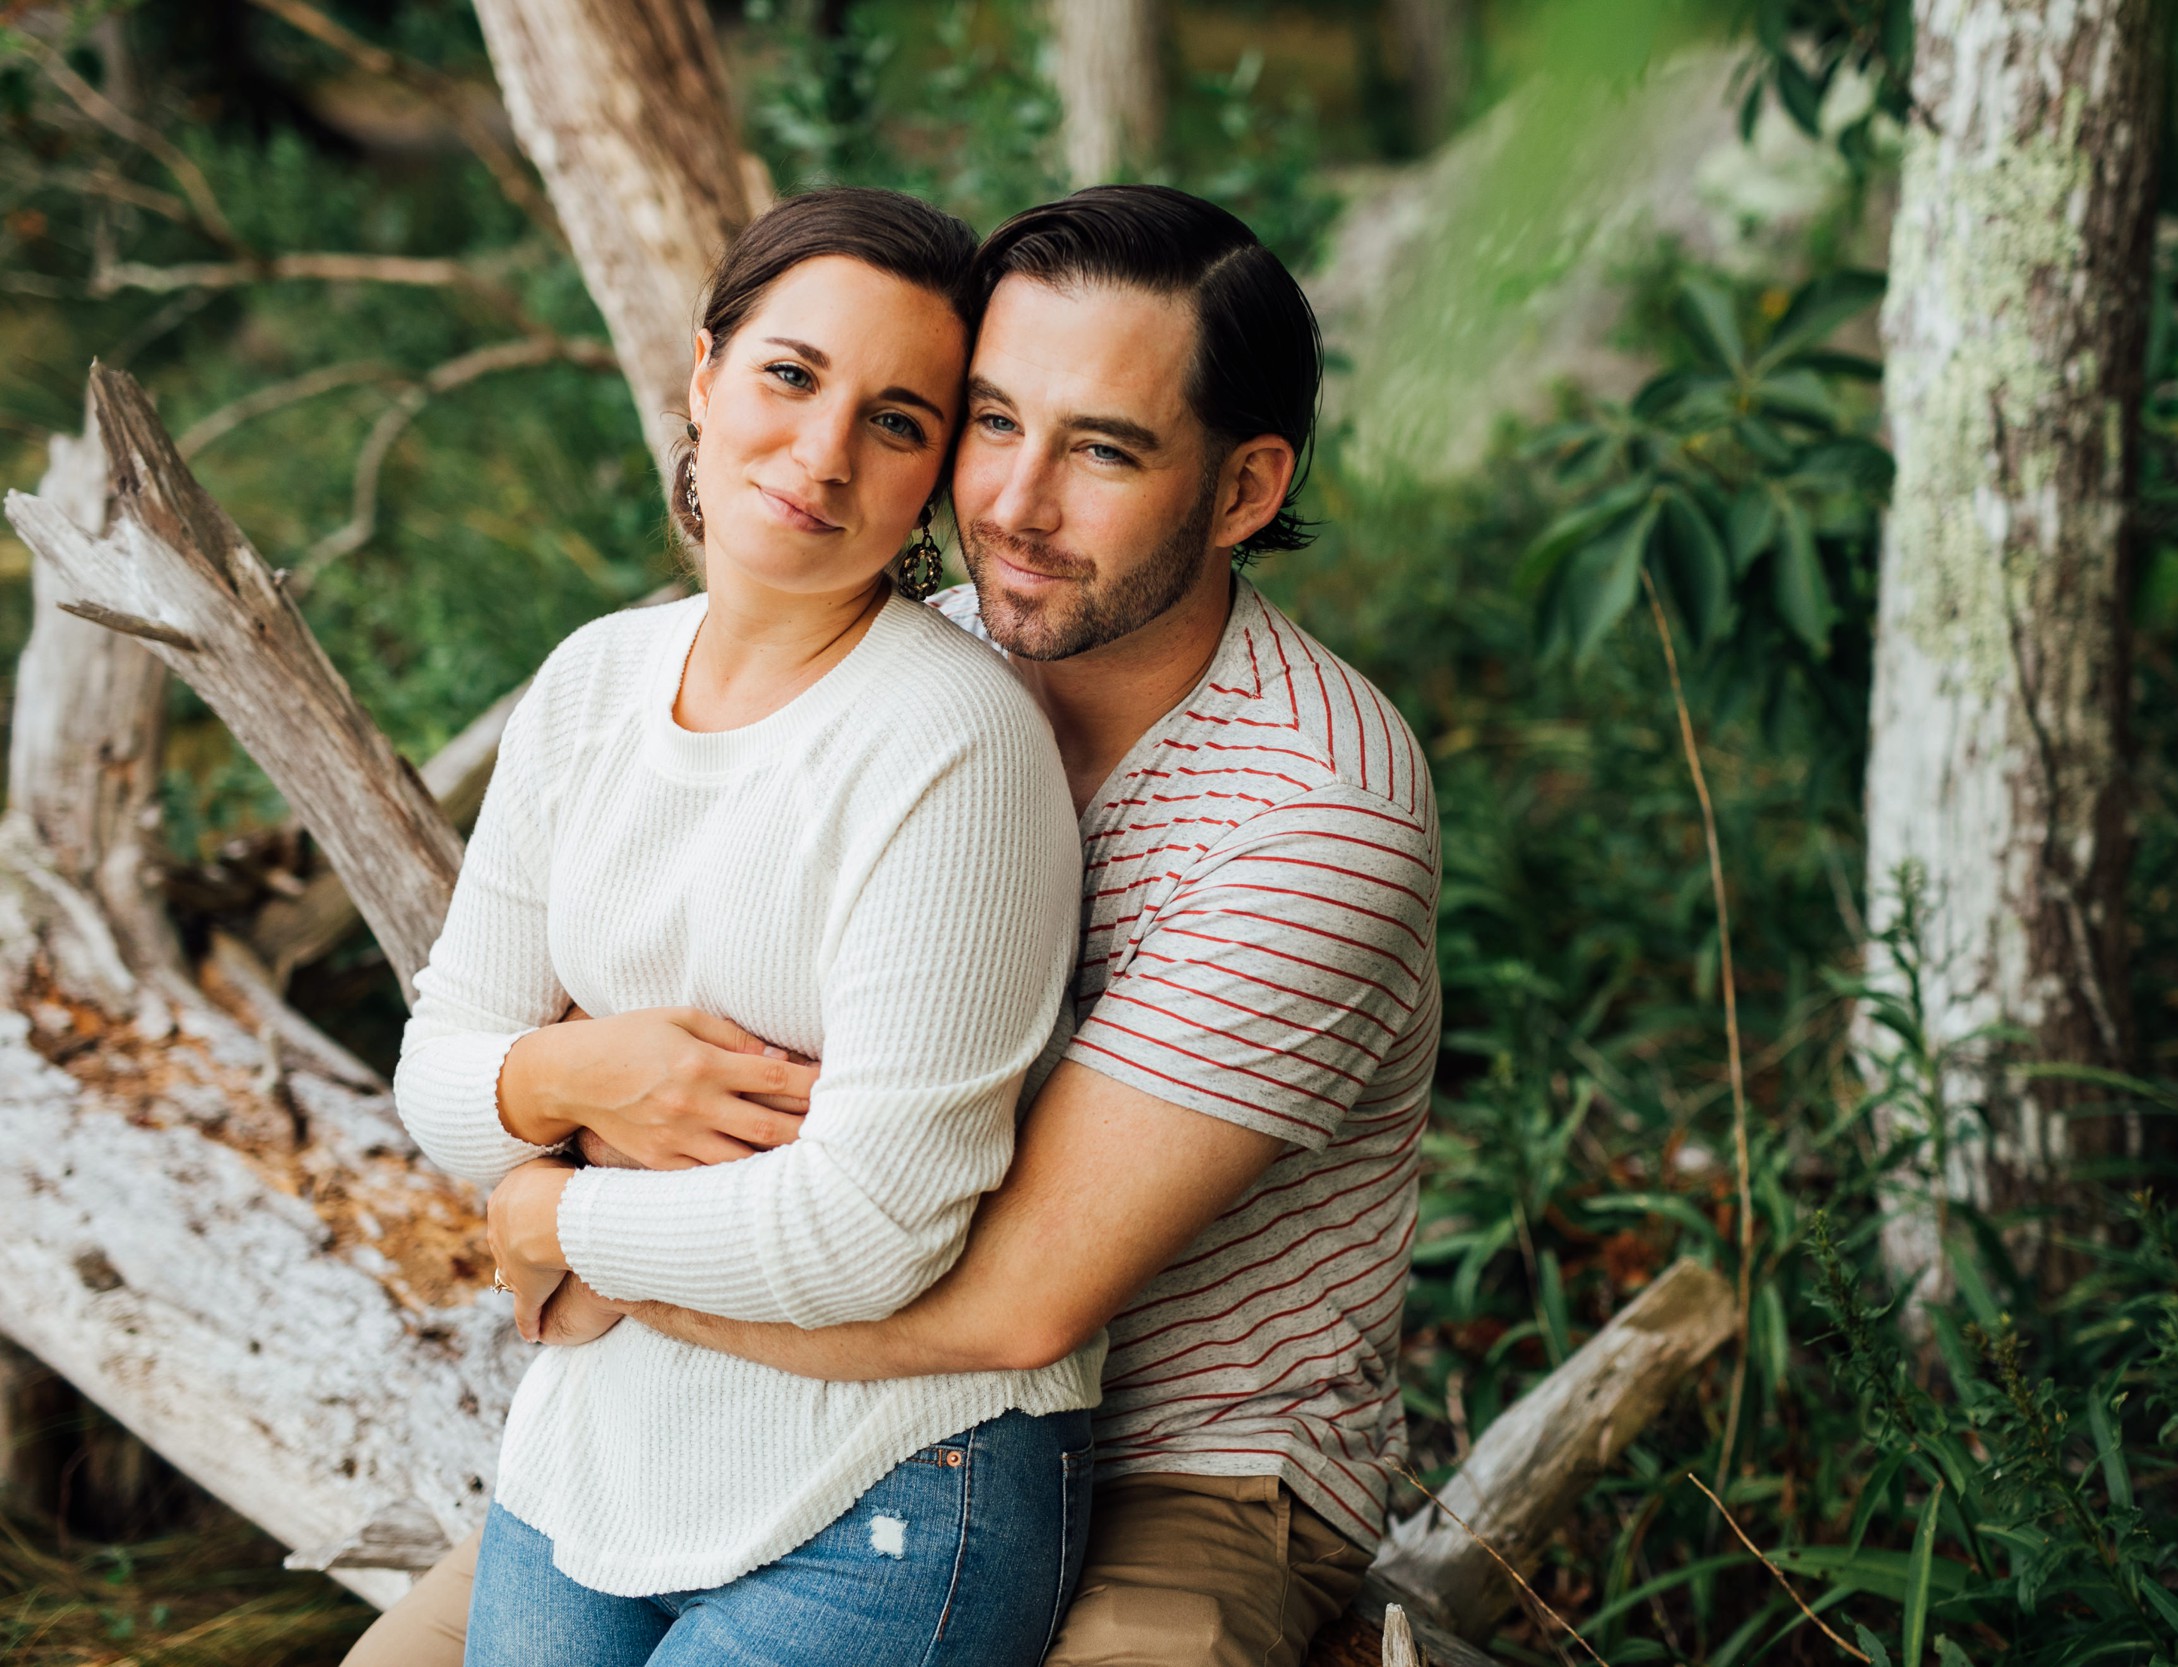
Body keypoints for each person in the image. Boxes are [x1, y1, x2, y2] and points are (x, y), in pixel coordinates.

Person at [348, 184, 1440, 1667]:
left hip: (1185, 1460)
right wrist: (563, 1088)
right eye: (990, 423)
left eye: (1104, 450)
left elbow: (1009, 1308)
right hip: (757, 1392)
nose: (1013, 506)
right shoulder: (903, 651)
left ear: (1245, 490)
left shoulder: (1311, 818)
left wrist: (577, 1236)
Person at [382, 186, 1096, 1667]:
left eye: (899, 421)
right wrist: (577, 1081)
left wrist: (550, 1211)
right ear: (703, 376)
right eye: (790, 375)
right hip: (597, 1448)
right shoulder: (592, 684)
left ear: (936, 478)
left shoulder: (953, 746)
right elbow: (437, 1070)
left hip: (888, 1485)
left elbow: (870, 1229)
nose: (824, 453)